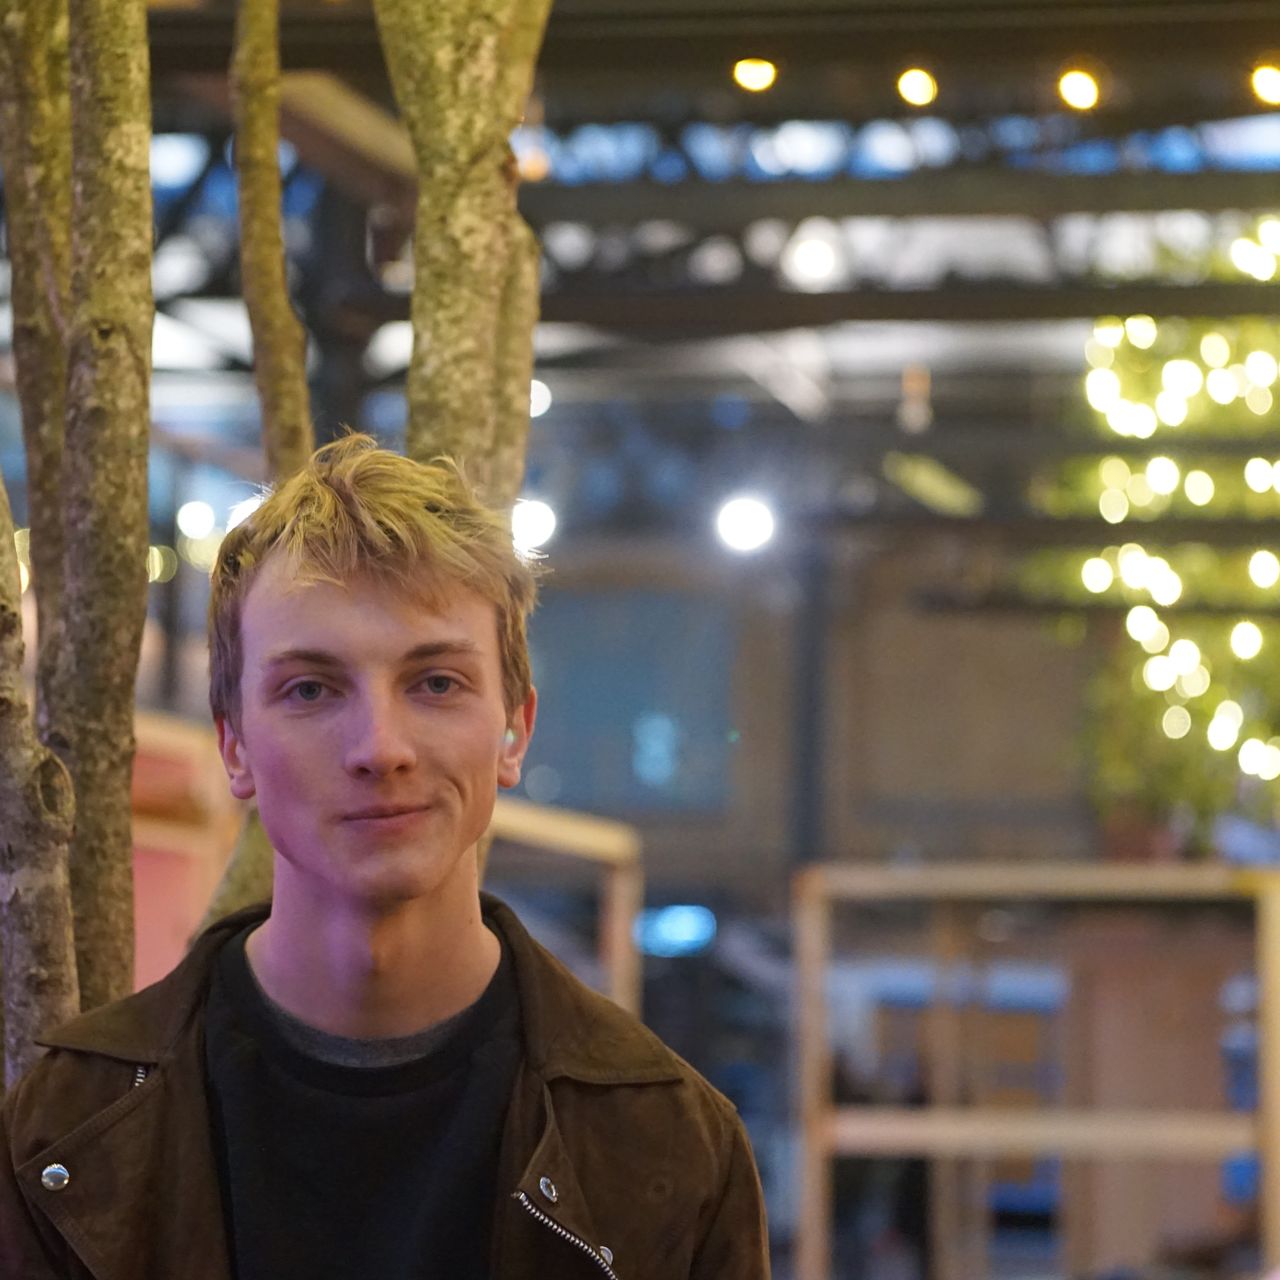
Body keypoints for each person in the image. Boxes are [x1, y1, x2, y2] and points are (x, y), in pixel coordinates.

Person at [0, 435, 770, 1279]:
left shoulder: (668, 1148)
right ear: (235, 749)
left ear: (515, 731)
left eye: (436, 682)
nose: (381, 747)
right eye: (311, 689)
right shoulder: (65, 1132)